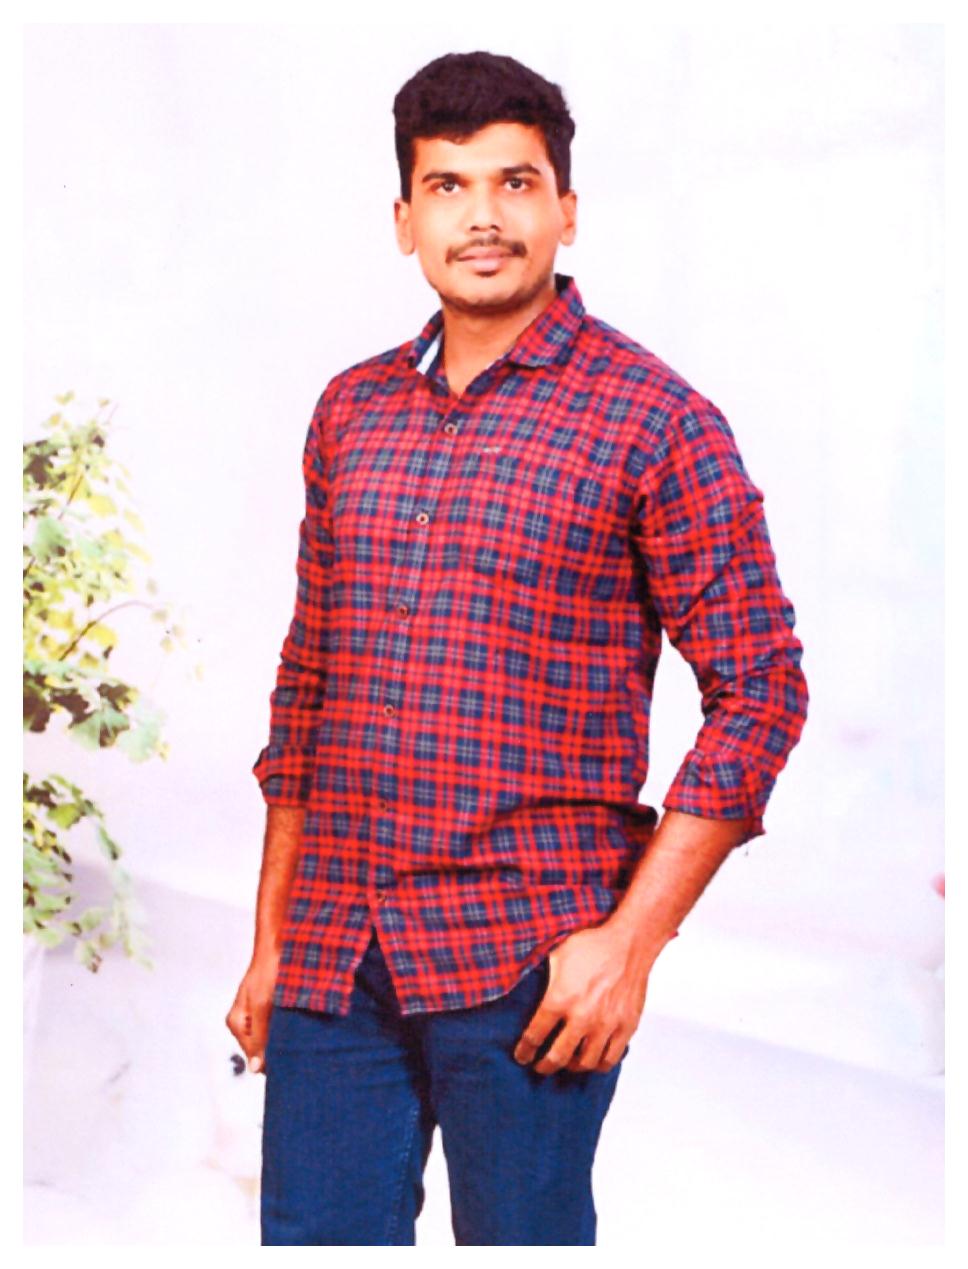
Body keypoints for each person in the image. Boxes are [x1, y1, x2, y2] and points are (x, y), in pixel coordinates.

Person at [225, 49, 809, 1246]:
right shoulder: (351, 412)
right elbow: (307, 688)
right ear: (404, 219)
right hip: (335, 955)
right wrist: (271, 940)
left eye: (514, 182)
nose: (481, 217)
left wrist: (627, 948)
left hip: (528, 963)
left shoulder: (654, 420)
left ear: (566, 209)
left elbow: (760, 690)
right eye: (446, 186)